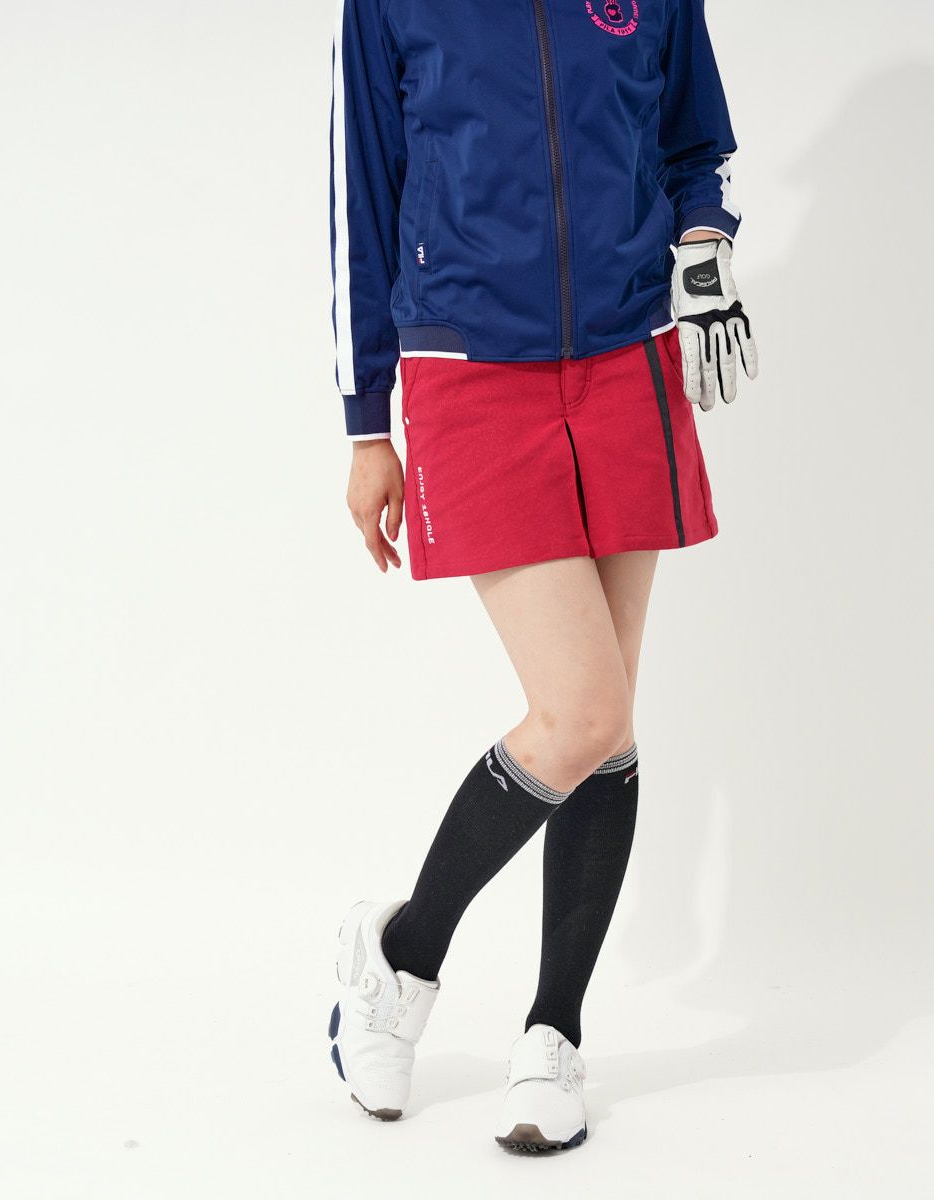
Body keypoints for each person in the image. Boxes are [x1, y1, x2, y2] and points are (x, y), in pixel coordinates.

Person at [326, 0, 757, 1152]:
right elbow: (362, 191)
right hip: (469, 365)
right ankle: (400, 956)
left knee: (606, 724)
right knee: (581, 711)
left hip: (629, 358)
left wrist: (703, 249)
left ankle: (552, 1033)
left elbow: (693, 142)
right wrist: (367, 421)